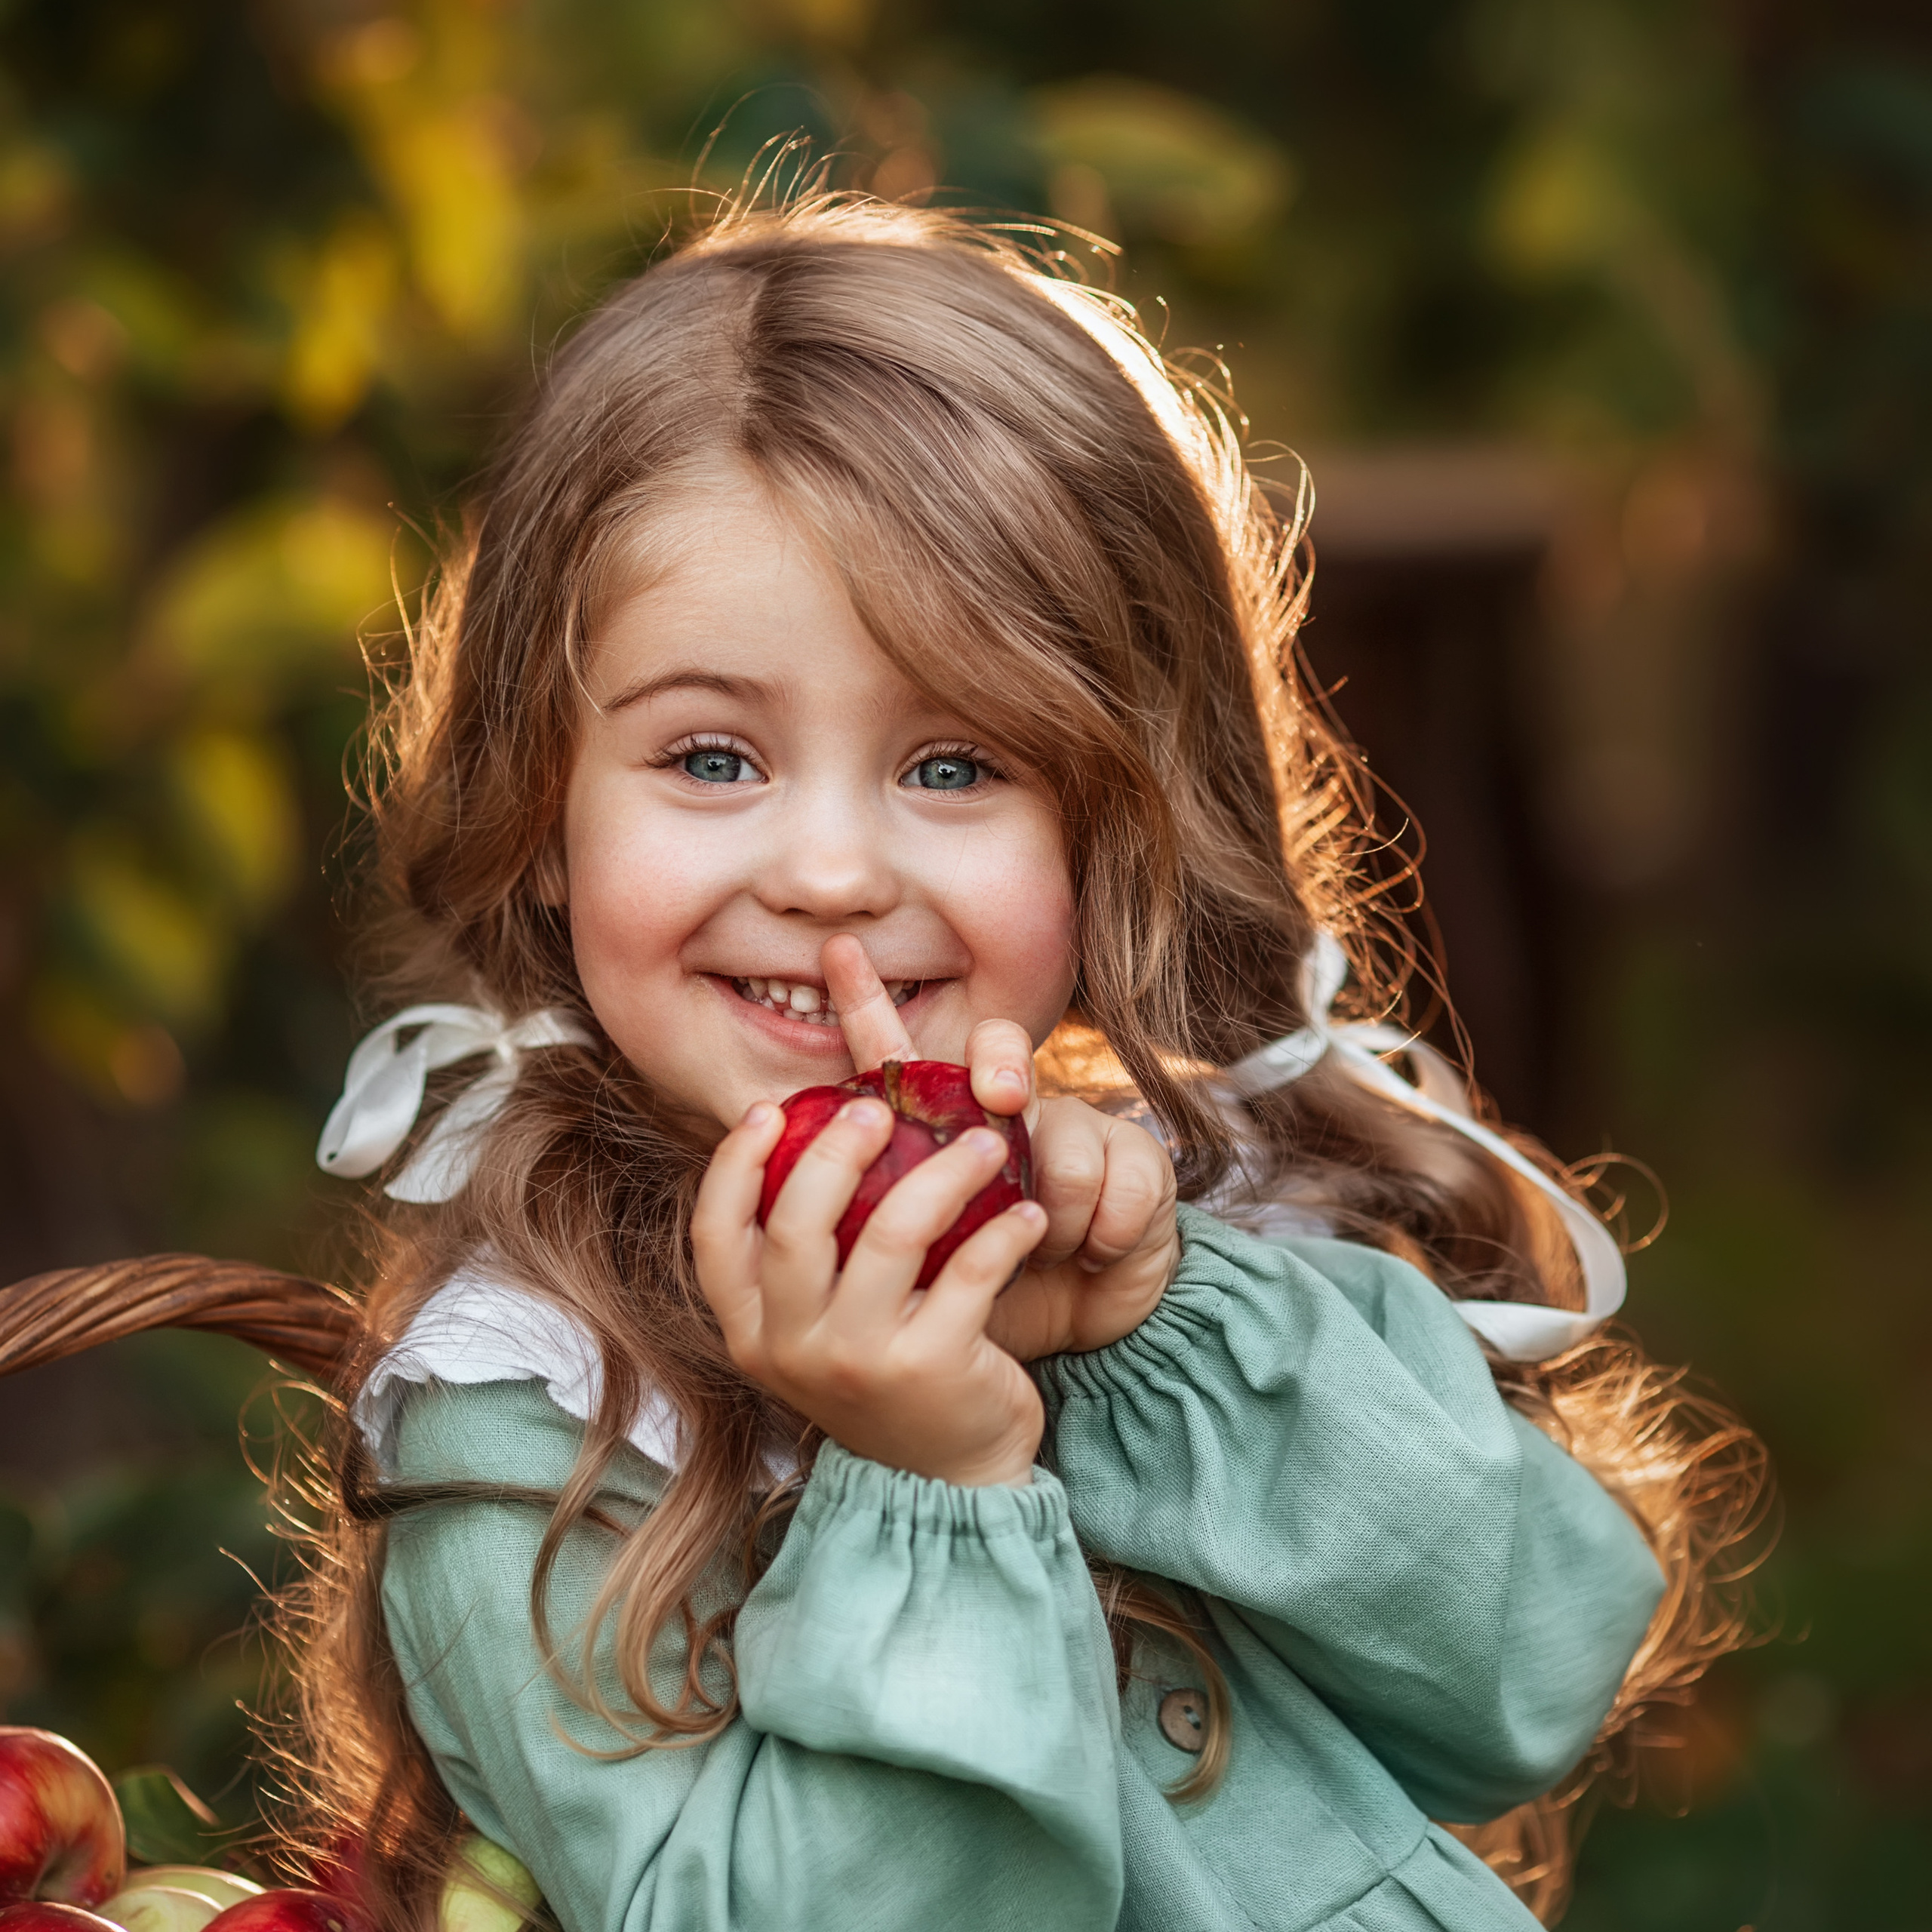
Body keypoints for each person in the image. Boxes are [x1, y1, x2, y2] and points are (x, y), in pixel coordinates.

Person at [289, 192, 1764, 1932]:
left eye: (952, 763)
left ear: (1118, 813)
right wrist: (926, 1474)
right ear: (538, 808)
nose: (830, 870)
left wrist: (1160, 1329)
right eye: (707, 754)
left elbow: (1529, 1671)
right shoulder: (530, 1418)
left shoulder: (1173, 1200)